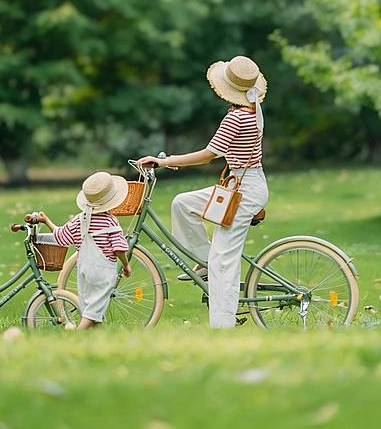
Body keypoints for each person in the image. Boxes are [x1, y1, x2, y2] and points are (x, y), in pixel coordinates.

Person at [138, 55, 268, 329]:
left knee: (223, 260)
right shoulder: (254, 108)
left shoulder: (237, 117)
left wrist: (165, 161)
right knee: (182, 203)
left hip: (245, 190)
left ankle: (223, 325)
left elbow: (209, 155)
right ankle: (203, 261)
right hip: (239, 185)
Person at [36, 171, 131, 330]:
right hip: (103, 270)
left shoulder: (79, 220)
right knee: (95, 308)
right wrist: (126, 265)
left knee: (90, 304)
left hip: (83, 268)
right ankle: (79, 334)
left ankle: (94, 334)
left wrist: (46, 221)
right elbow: (119, 248)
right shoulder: (110, 221)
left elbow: (61, 236)